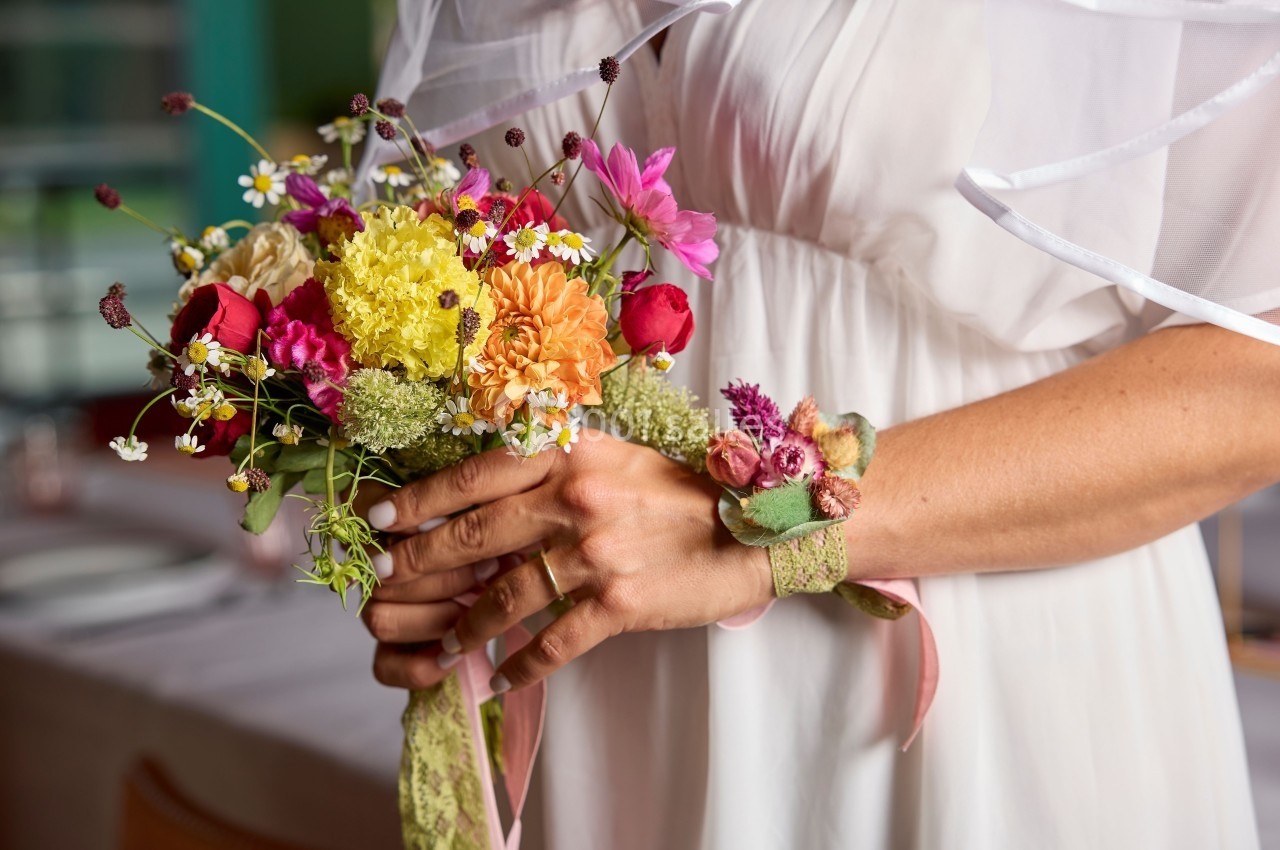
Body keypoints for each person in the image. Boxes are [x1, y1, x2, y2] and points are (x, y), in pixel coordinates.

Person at [357, 1, 1275, 846]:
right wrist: (429, 505)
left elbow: (1260, 379)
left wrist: (753, 530)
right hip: (609, 666)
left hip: (986, 641)